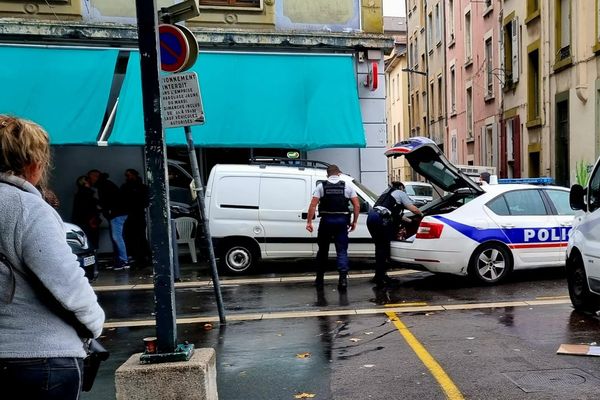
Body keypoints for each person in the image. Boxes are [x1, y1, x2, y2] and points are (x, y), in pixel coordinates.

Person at [0, 115, 105, 399]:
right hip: (38, 356)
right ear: (32, 163)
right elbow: (66, 281)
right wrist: (94, 325)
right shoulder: (26, 208)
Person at [306, 164, 360, 291]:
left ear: (327, 174)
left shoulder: (321, 186)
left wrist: (309, 222)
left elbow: (313, 205)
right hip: (342, 222)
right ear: (339, 173)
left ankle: (319, 278)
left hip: (326, 221)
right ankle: (342, 280)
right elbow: (357, 205)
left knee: (323, 250)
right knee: (341, 251)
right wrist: (355, 222)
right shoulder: (347, 186)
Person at [367, 181, 423, 287]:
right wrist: (422, 214)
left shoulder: (386, 194)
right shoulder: (400, 193)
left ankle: (379, 276)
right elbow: (413, 208)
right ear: (401, 187)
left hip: (372, 217)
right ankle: (381, 278)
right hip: (381, 219)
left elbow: (396, 215)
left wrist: (410, 222)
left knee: (379, 248)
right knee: (384, 248)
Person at [87, 169, 130, 270]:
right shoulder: (106, 184)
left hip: (116, 214)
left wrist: (103, 208)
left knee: (117, 237)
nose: (89, 180)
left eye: (90, 177)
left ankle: (123, 260)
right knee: (116, 237)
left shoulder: (104, 185)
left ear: (95, 176)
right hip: (117, 213)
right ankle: (120, 260)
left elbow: (108, 201)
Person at [121, 168, 150, 267]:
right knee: (136, 237)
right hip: (135, 215)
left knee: (138, 237)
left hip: (135, 215)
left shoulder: (129, 187)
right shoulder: (140, 187)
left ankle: (141, 256)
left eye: (128, 175)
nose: (127, 177)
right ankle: (141, 256)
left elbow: (145, 202)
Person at [72, 175, 102, 249]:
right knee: (92, 241)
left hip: (82, 221)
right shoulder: (87, 193)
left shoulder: (80, 193)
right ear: (85, 182)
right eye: (89, 180)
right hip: (89, 221)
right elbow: (90, 207)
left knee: (86, 241)